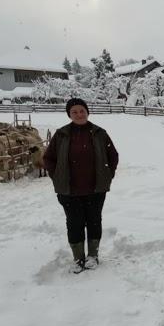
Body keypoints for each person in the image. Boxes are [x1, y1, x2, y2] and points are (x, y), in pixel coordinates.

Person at [43, 98, 119, 274]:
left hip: (95, 189)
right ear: (69, 114)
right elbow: (48, 158)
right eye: (74, 112)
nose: (79, 114)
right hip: (69, 191)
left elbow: (112, 156)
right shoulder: (61, 134)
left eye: (81, 111)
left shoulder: (100, 133)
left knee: (94, 221)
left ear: (87, 112)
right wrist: (57, 176)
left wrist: (108, 174)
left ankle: (93, 255)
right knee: (74, 223)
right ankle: (78, 258)